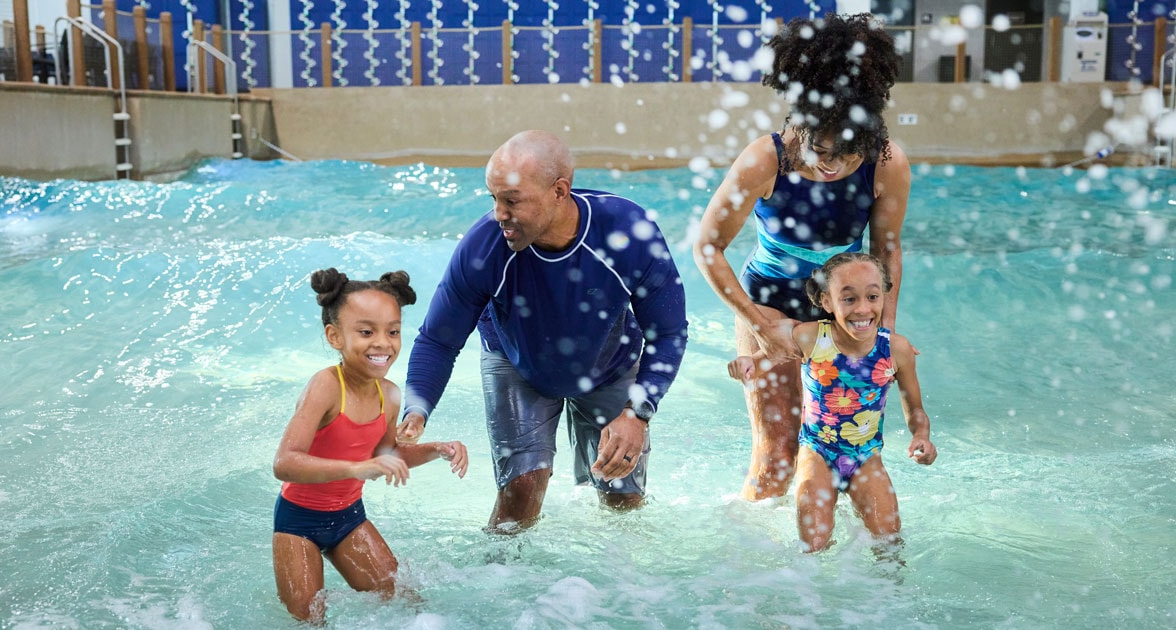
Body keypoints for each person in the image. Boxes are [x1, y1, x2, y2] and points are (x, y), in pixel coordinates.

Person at [395, 130, 688, 532]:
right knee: (519, 499)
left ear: (559, 191)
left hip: (610, 362)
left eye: (512, 201)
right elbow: (438, 339)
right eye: (493, 199)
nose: (499, 213)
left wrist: (637, 412)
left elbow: (668, 332)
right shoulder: (484, 248)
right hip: (517, 361)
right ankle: (500, 585)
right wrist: (417, 406)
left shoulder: (627, 233)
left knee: (623, 499)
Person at [694, 12, 911, 501]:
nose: (833, 166)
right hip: (766, 303)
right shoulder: (764, 160)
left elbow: (887, 252)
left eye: (849, 155)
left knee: (846, 449)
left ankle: (832, 566)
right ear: (800, 124)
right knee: (777, 454)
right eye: (822, 151)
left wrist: (882, 334)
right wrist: (758, 324)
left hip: (843, 310)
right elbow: (708, 246)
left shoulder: (886, 163)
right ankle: (755, 568)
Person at [271, 268, 469, 623]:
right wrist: (355, 468)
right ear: (334, 336)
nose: (383, 343)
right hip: (298, 523)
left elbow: (384, 456)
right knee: (310, 620)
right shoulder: (326, 386)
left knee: (408, 606)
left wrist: (439, 449)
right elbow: (285, 463)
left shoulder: (390, 395)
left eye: (393, 331)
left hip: (349, 519)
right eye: (366, 332)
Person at [728, 252, 935, 552]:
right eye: (849, 299)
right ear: (826, 302)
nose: (863, 308)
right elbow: (765, 359)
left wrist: (921, 436)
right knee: (813, 546)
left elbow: (915, 409)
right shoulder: (812, 338)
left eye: (873, 296)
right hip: (817, 454)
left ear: (884, 297)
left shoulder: (896, 350)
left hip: (866, 457)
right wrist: (747, 366)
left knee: (889, 543)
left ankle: (886, 599)